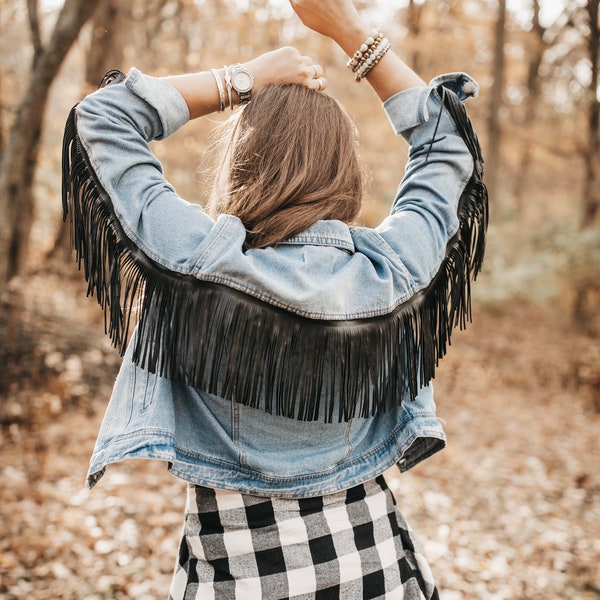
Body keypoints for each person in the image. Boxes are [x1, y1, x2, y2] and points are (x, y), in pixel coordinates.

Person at [62, 0, 487, 597]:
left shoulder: (200, 260)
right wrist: (350, 32)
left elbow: (102, 119)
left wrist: (244, 79)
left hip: (236, 576)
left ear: (244, 166)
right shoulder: (387, 272)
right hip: (372, 569)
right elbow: (448, 146)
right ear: (346, 171)